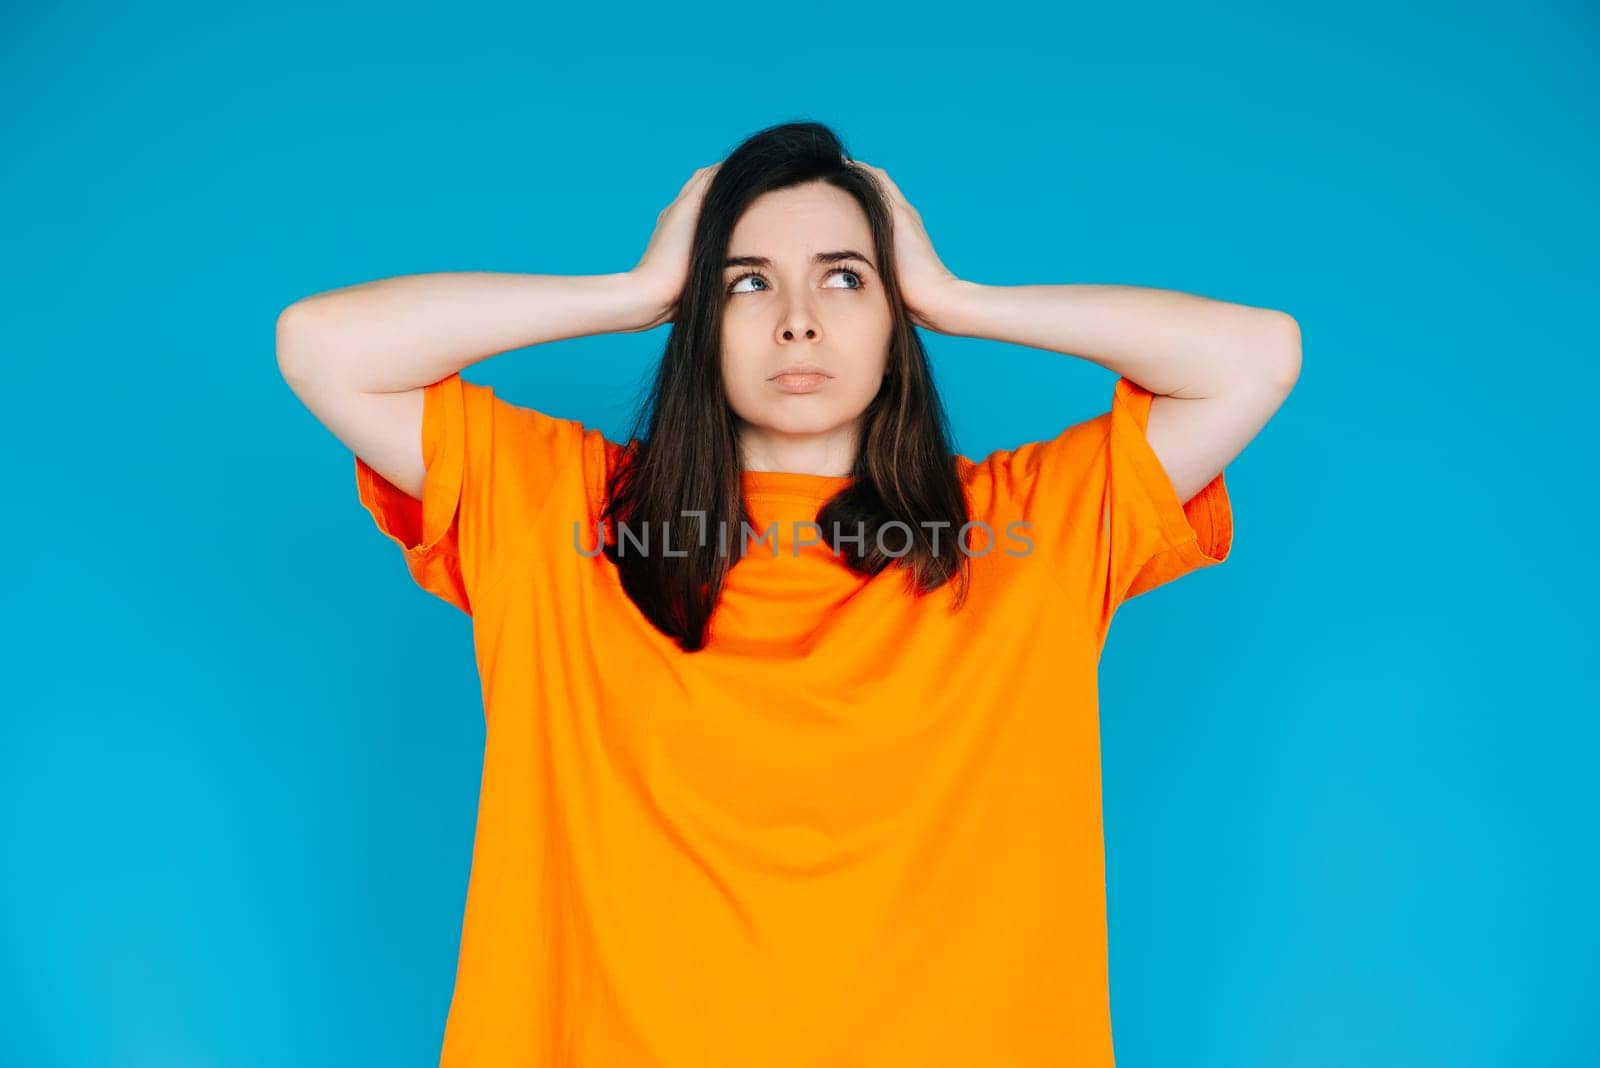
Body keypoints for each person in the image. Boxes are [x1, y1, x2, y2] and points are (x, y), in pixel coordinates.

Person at [276, 121, 1299, 1066]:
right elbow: (324, 347)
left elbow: (1255, 356)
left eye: (846, 280)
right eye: (747, 283)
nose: (799, 323)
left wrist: (954, 298)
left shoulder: (1028, 530)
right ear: (698, 316)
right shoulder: (561, 515)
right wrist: (630, 292)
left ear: (894, 315)